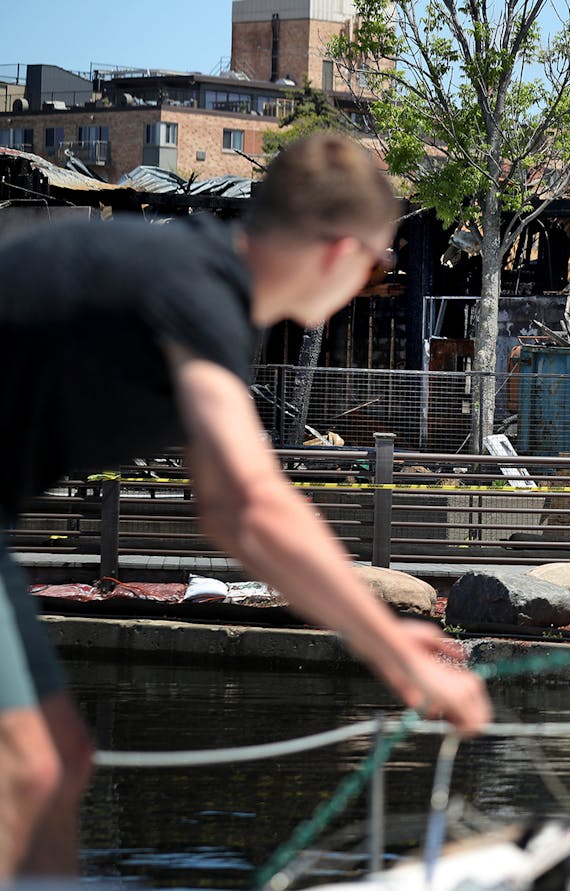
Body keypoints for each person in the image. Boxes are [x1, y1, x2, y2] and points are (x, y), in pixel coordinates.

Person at [0, 133, 492, 879]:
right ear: (339, 253)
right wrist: (394, 652)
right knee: (28, 770)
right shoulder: (202, 293)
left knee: (52, 760)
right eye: (382, 262)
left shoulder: (194, 272)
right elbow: (247, 506)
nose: (376, 280)